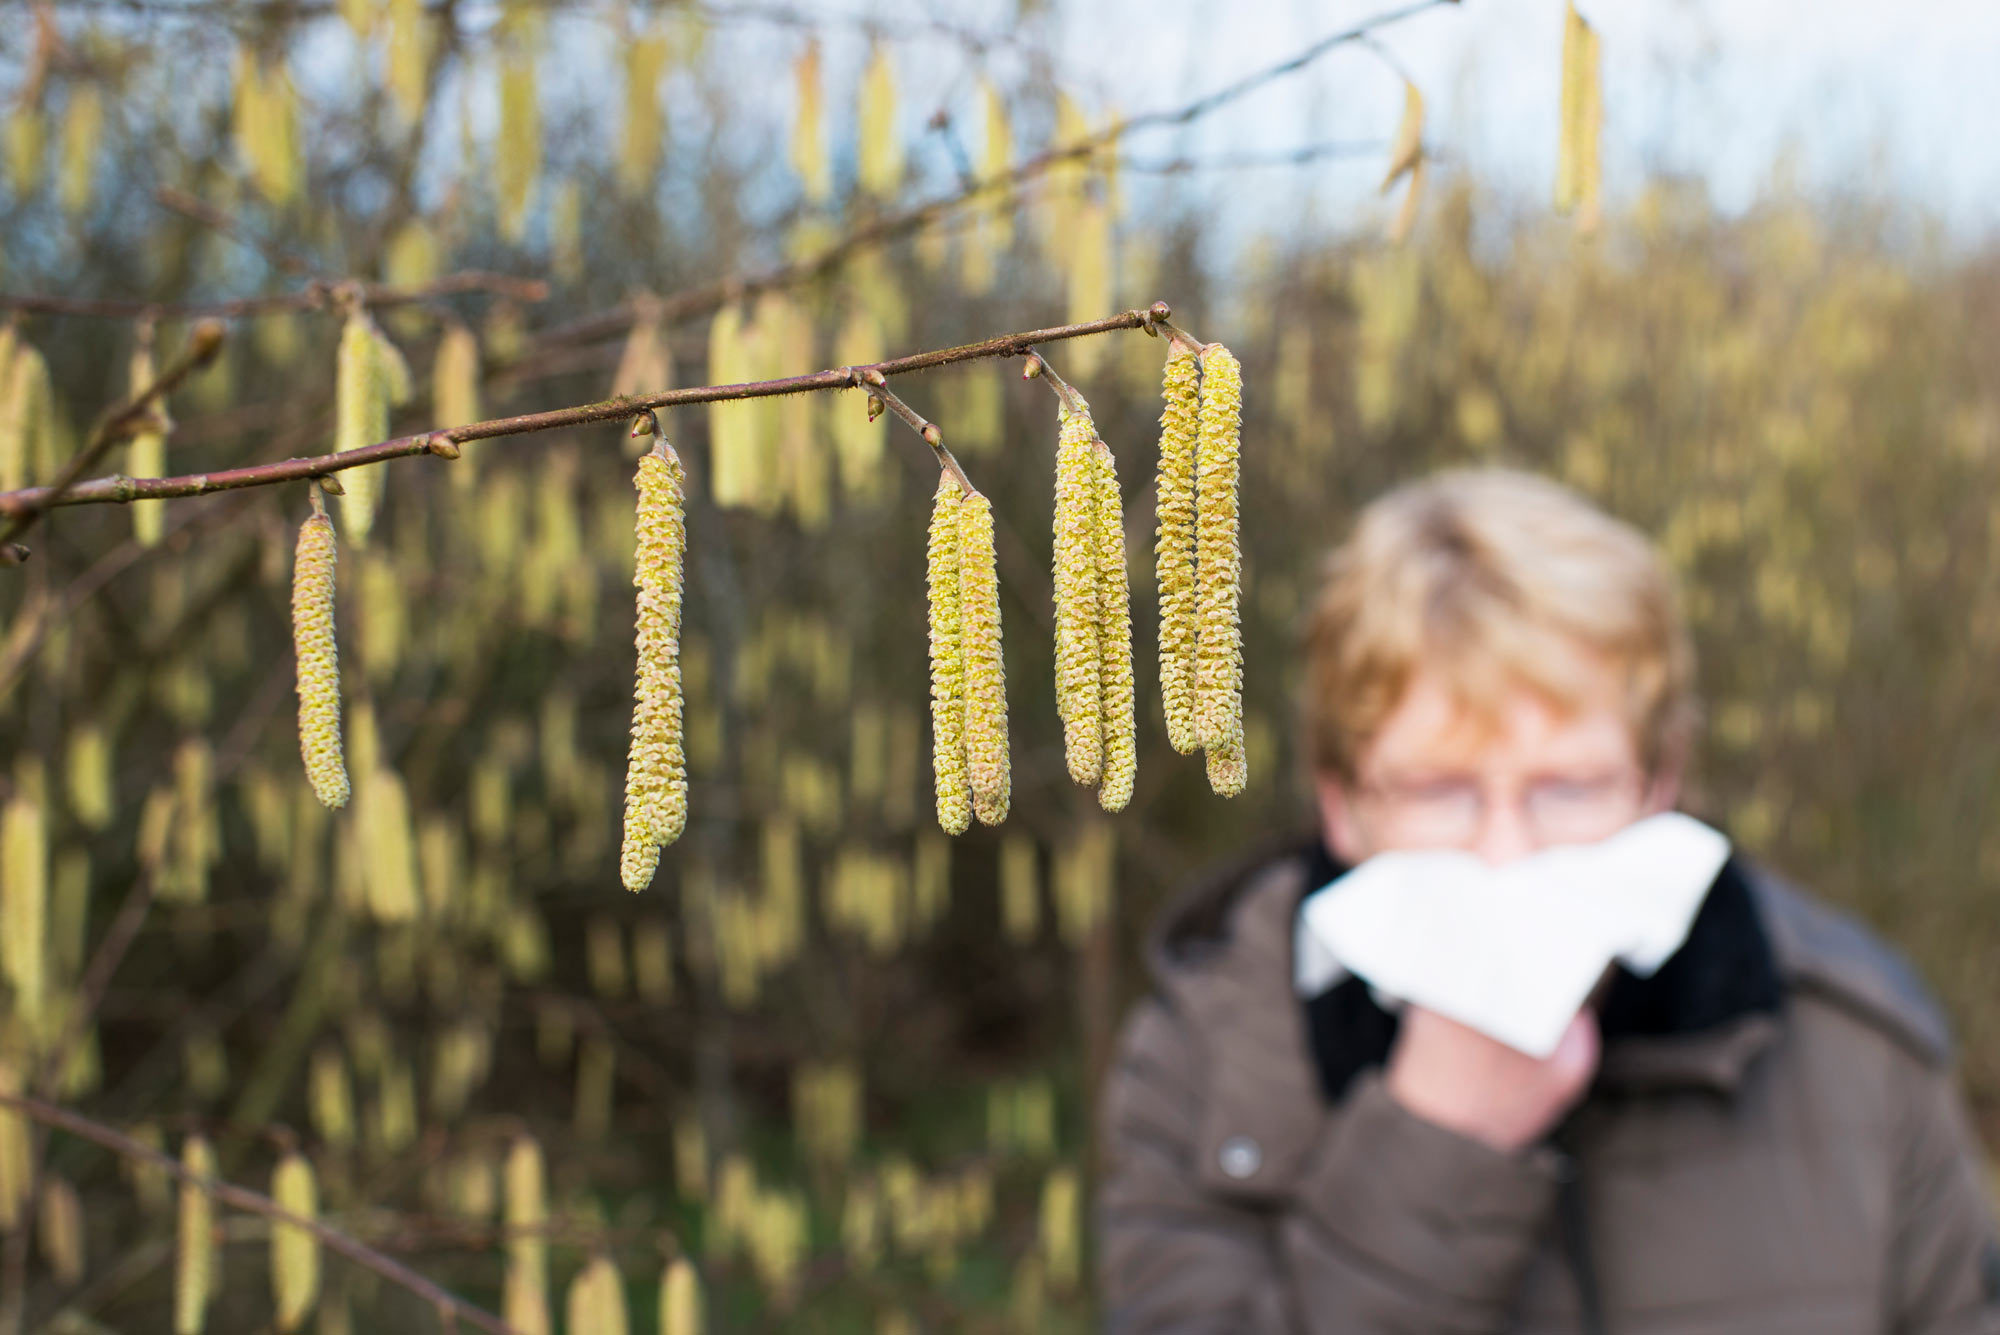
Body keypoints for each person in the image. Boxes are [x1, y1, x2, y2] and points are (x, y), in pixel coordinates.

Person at [1097, 468, 2000, 1333]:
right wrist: (1437, 1146)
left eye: (1567, 788)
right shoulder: (1208, 1059)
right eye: (1440, 790)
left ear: (1658, 785)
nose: (1506, 854)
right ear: (1342, 802)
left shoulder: (1855, 1042)